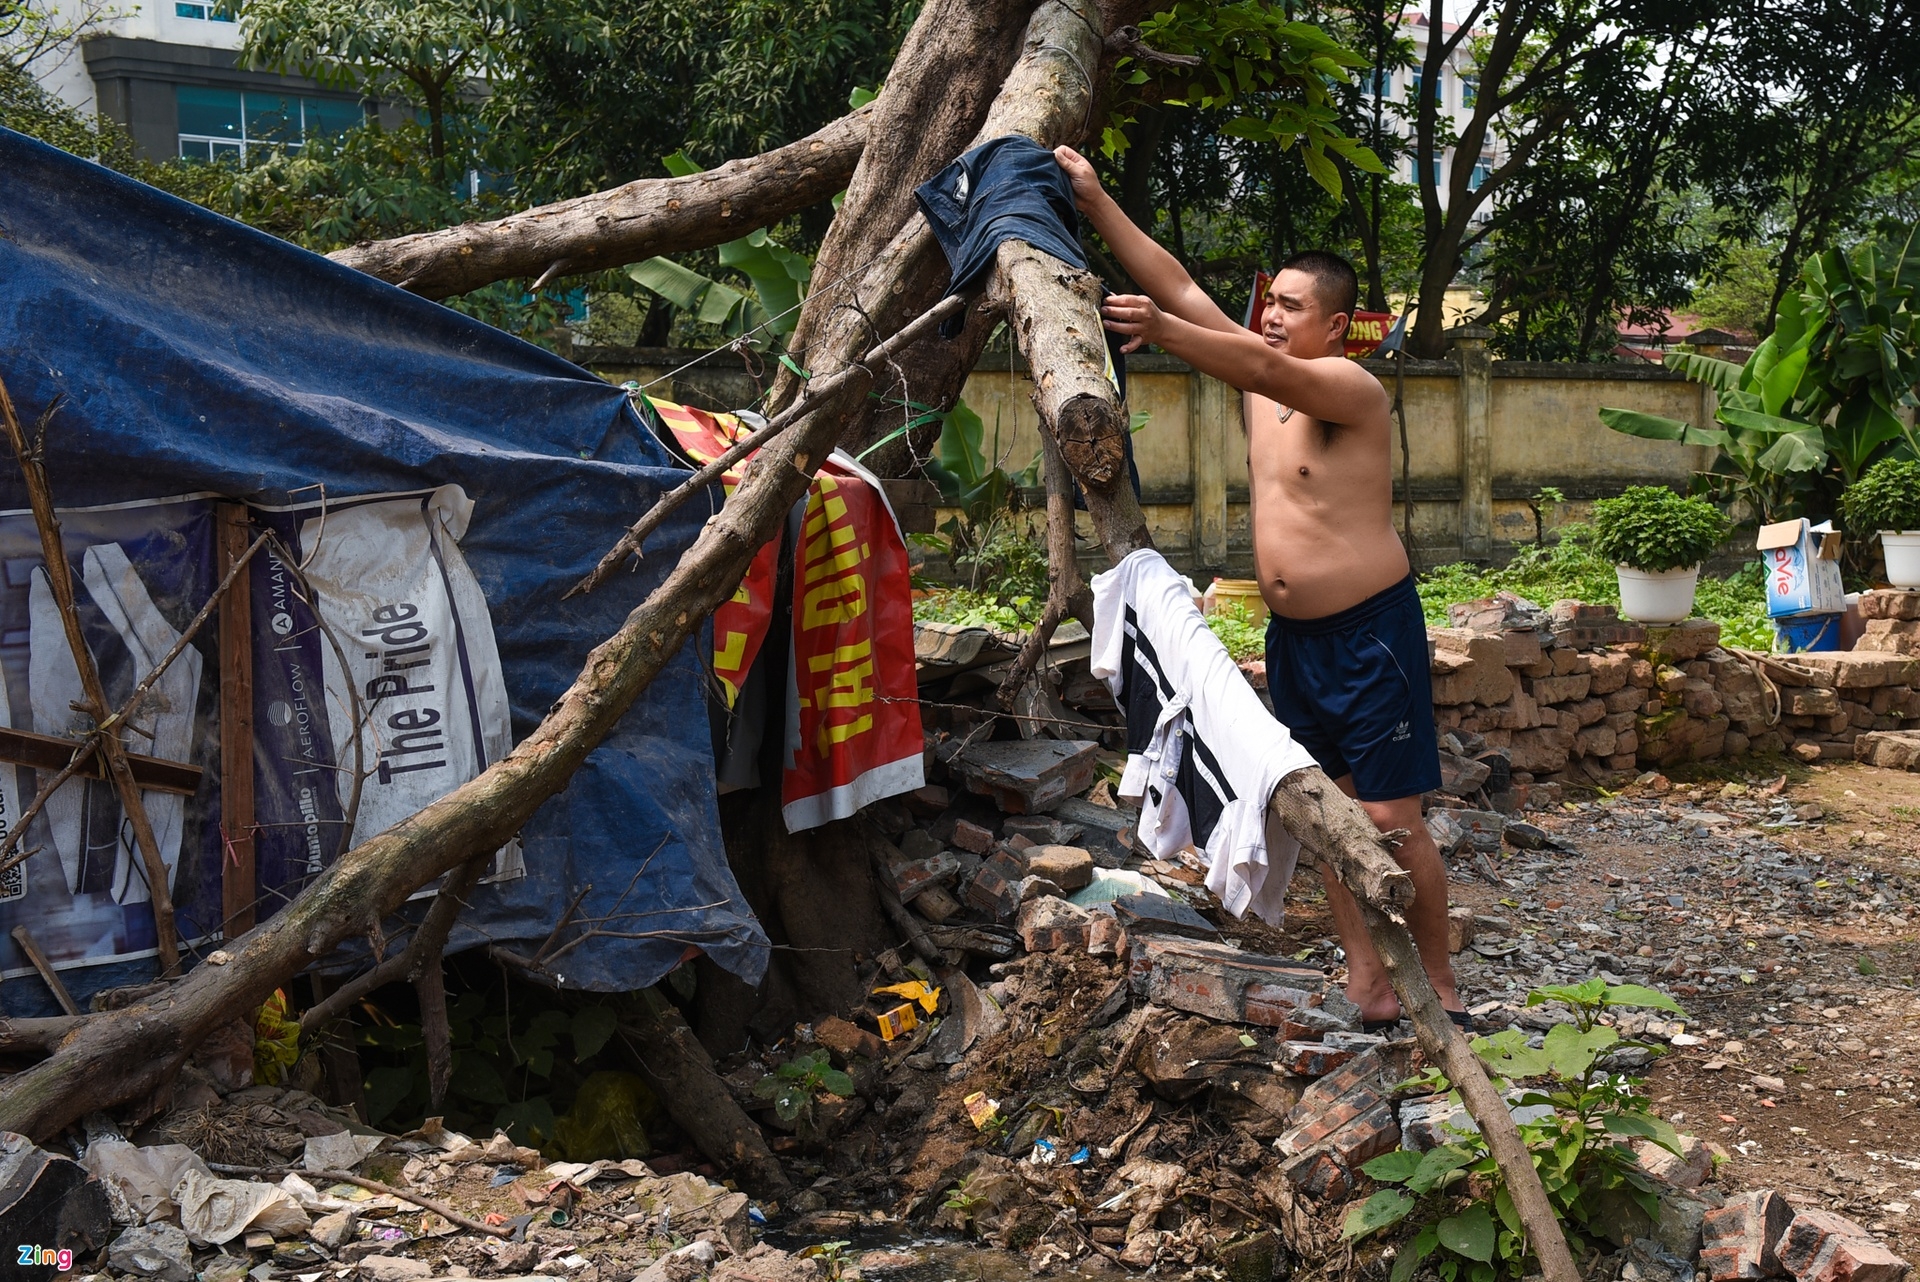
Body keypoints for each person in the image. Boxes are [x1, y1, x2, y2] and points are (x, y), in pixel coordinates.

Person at [1054, 144, 1466, 1030]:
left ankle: (1439, 980)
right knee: (1324, 816)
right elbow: (1176, 285)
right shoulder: (1254, 374)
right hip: (1297, 643)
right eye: (1268, 302)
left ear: (1335, 326)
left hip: (1372, 636)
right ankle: (1367, 979)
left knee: (1390, 818)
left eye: (1289, 306)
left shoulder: (1352, 389)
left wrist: (1164, 333)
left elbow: (1252, 359)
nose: (1269, 317)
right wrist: (1095, 203)